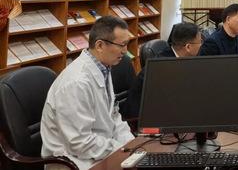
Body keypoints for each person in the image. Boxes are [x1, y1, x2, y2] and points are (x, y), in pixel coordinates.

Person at [41, 16, 134, 170]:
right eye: (122, 45)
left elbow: (113, 116)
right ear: (100, 45)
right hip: (73, 161)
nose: (125, 51)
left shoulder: (103, 68)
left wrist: (131, 144)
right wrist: (120, 149)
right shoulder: (76, 82)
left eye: (127, 44)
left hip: (98, 151)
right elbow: (79, 142)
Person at [121, 22, 202, 118]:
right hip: (139, 118)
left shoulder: (175, 56)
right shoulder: (165, 68)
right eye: (200, 42)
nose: (201, 45)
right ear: (188, 47)